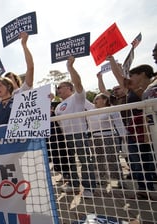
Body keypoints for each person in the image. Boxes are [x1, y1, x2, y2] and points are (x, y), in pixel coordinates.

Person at [108, 56, 157, 196]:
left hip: (151, 129)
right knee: (137, 160)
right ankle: (144, 189)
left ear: (142, 74)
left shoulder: (153, 86)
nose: (130, 78)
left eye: (132, 75)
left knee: (149, 160)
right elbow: (119, 76)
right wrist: (111, 60)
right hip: (134, 131)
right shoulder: (131, 88)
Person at [54, 56, 96, 198]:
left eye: (60, 87)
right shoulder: (58, 106)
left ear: (69, 88)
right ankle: (73, 184)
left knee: (85, 161)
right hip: (66, 137)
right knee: (70, 161)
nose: (58, 90)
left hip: (79, 135)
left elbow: (78, 83)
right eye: (57, 88)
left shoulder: (78, 97)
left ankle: (89, 187)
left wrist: (70, 67)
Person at [87, 93, 128, 188]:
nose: (95, 100)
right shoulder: (91, 109)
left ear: (105, 100)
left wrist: (124, 137)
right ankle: (101, 179)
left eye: (97, 98)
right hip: (94, 137)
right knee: (98, 159)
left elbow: (119, 123)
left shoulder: (112, 109)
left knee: (112, 159)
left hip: (109, 136)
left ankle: (119, 180)